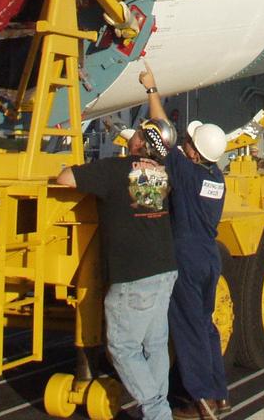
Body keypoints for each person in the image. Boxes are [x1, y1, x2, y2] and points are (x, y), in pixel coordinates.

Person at [57, 118, 178, 420]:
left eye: (136, 133)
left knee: (123, 349)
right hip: (163, 270)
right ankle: (158, 408)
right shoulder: (162, 175)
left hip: (133, 276)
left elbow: (65, 179)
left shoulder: (114, 170)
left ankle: (158, 412)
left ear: (138, 142)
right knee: (155, 345)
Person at [140, 65, 231, 420]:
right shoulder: (216, 178)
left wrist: (151, 90)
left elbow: (163, 138)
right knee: (205, 325)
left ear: (194, 152)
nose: (186, 145)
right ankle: (219, 392)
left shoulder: (189, 173)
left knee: (189, 327)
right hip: (209, 257)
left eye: (190, 143)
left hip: (187, 257)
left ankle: (201, 399)